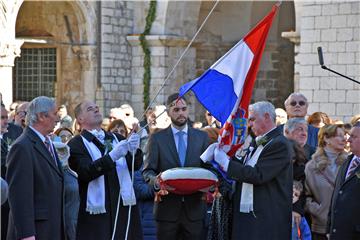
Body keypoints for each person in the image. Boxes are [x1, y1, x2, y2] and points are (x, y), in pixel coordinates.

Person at [213, 101, 293, 239]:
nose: (249, 124)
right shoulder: (261, 141)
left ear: (267, 117)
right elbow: (245, 168)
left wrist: (226, 164)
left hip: (266, 219)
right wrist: (222, 155)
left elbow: (258, 175)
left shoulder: (279, 144)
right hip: (250, 216)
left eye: (252, 119)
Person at [68, 100, 143, 240]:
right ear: (80, 119)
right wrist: (112, 156)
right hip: (97, 214)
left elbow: (135, 166)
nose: (96, 109)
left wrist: (135, 151)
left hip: (123, 207)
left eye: (97, 107)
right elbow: (85, 172)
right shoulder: (76, 144)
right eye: (90, 109)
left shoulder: (117, 138)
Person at [142, 93, 210, 240]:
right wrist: (156, 182)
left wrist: (209, 185)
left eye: (183, 109)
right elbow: (148, 171)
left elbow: (209, 169)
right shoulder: (157, 138)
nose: (181, 113)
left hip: (195, 211)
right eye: (176, 110)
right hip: (167, 212)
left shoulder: (202, 137)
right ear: (168, 112)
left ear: (188, 110)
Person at [6, 96, 64, 240]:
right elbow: (19, 196)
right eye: (54, 114)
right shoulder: (22, 146)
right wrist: (27, 235)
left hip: (50, 227)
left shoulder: (46, 142)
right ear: (41, 116)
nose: (58, 119)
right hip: (36, 231)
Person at [304, 124, 347, 240]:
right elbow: (305, 195)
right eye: (339, 136)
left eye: (345, 135)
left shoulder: (350, 164)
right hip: (321, 227)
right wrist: (318, 210)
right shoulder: (312, 166)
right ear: (326, 139)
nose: (344, 139)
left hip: (346, 225)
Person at [327, 122, 360, 240]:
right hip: (338, 233)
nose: (348, 140)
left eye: (354, 137)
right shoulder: (347, 161)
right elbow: (336, 195)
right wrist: (329, 227)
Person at [53, 128, 78, 240]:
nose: (66, 139)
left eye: (70, 136)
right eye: (62, 137)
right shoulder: (56, 167)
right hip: (60, 225)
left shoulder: (76, 164)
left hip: (77, 222)